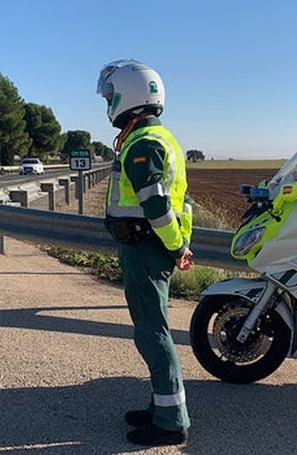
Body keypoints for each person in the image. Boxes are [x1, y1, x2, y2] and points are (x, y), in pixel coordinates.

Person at [96, 59, 193, 446]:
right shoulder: (158, 137)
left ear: (127, 98)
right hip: (150, 246)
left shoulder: (144, 144)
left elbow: (156, 206)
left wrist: (177, 247)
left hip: (146, 247)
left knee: (152, 334)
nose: (107, 103)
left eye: (110, 96)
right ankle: (161, 404)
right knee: (154, 329)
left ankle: (171, 422)